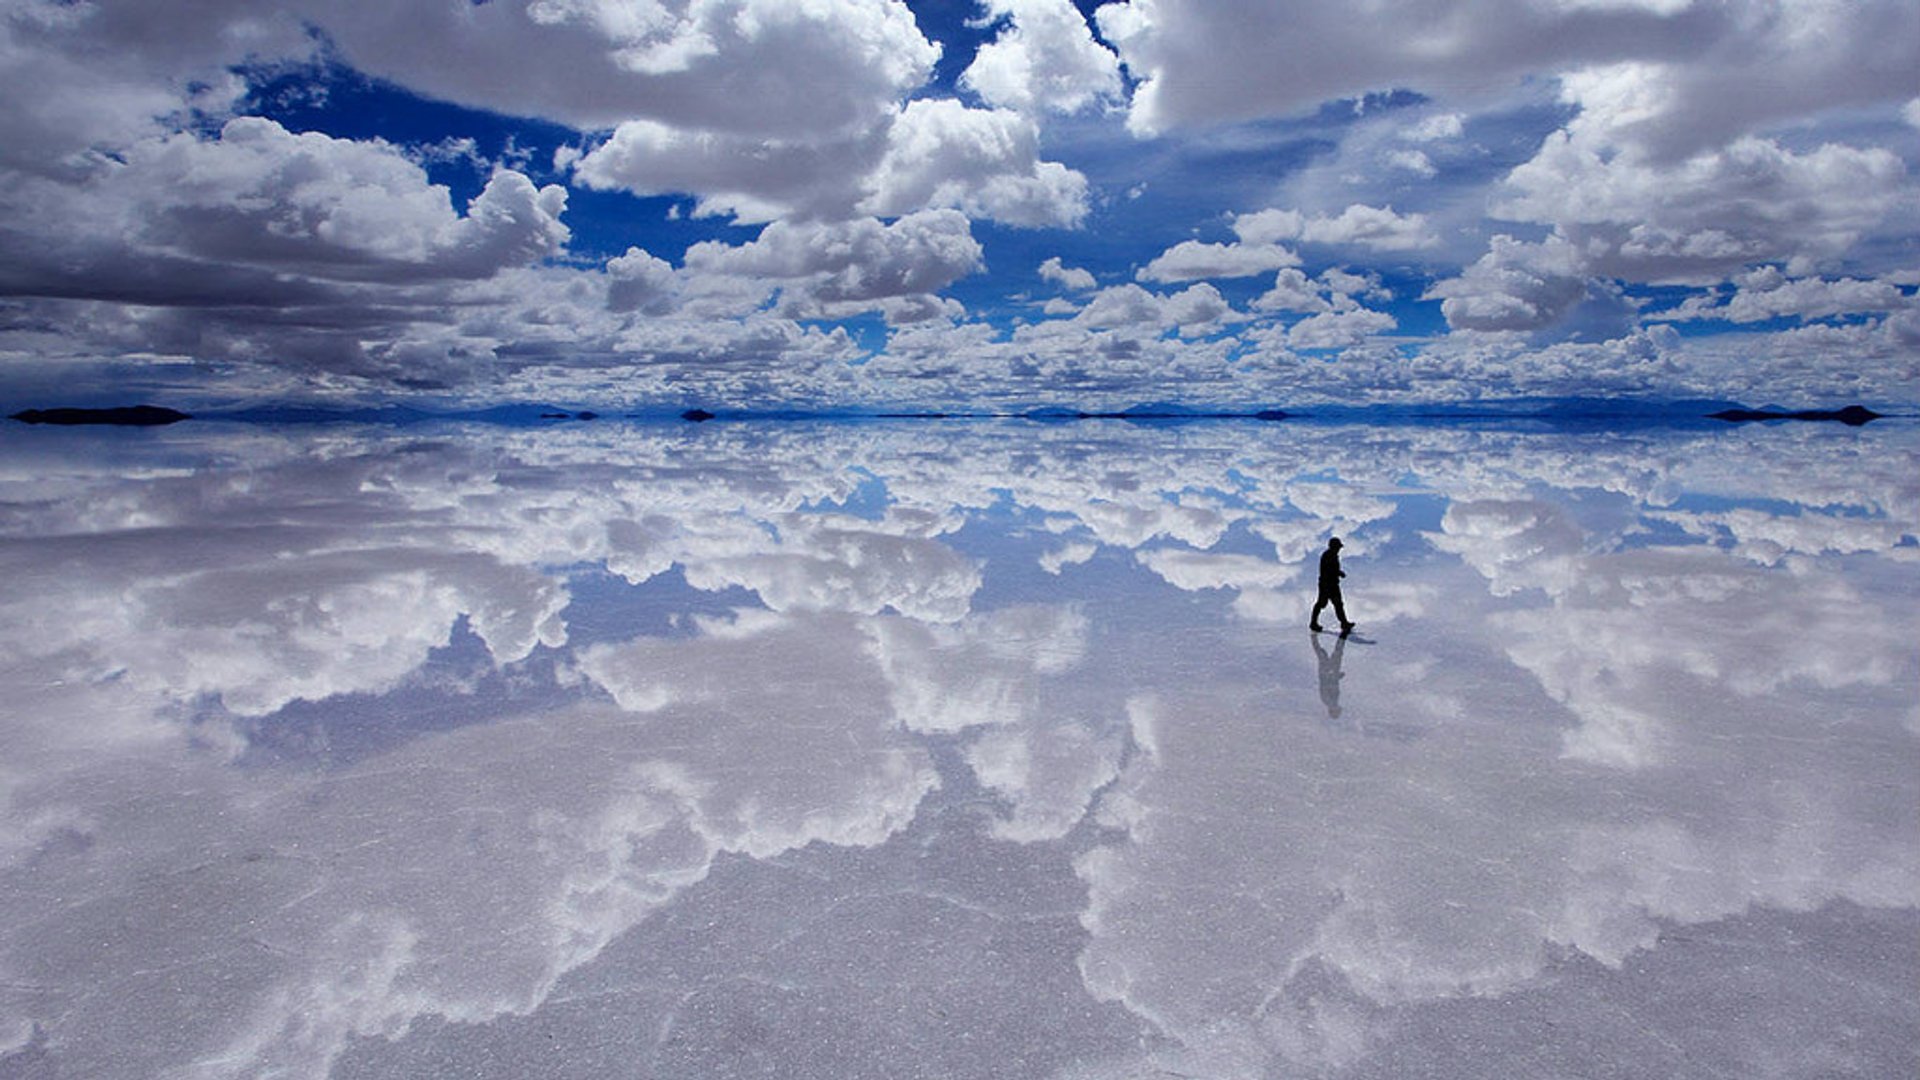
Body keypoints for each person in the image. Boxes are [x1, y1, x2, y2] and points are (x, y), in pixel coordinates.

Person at [1310, 536, 1355, 634]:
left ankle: (1344, 623)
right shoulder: (1328, 556)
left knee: (1338, 604)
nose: (1339, 549)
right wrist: (1339, 573)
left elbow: (1332, 569)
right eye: (1338, 547)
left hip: (1332, 584)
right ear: (1333, 547)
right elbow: (1329, 571)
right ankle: (1313, 623)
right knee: (1322, 603)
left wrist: (1338, 573)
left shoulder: (1332, 555)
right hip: (1327, 585)